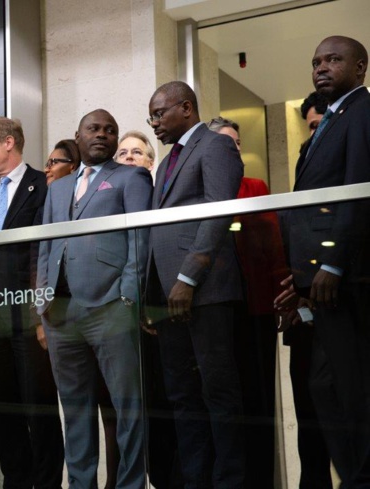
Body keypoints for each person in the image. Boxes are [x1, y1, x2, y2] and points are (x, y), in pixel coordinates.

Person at [37, 109, 151, 488]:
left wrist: (128, 298)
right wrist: (42, 303)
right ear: (78, 135)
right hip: (60, 313)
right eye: (94, 129)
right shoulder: (57, 188)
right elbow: (45, 247)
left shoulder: (130, 177)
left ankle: (131, 485)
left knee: (127, 408)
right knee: (75, 410)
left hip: (110, 308)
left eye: (110, 130)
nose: (102, 134)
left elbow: (140, 239)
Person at [277, 35, 370, 487]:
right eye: (316, 61)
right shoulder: (331, 121)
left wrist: (333, 265)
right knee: (324, 388)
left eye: (334, 59)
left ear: (360, 67)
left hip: (349, 277)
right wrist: (300, 279)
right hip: (316, 282)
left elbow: (358, 190)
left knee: (354, 392)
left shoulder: (363, 112)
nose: (321, 67)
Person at [145, 81, 245, 487]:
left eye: (158, 113)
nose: (153, 123)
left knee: (219, 394)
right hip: (167, 300)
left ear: (185, 108)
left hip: (204, 292)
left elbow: (218, 214)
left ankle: (230, 481)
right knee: (183, 397)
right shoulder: (168, 161)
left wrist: (188, 277)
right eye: (150, 116)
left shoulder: (215, 145)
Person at [0, 116, 64, 488]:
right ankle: (16, 480)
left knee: (38, 407)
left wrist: (42, 310)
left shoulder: (43, 187)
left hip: (30, 317)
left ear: (9, 143)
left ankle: (45, 483)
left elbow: (45, 252)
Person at [209, 116, 287, 488]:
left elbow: (271, 245)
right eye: (227, 143)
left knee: (258, 399)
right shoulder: (199, 190)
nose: (235, 149)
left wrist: (282, 297)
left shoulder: (253, 186)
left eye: (238, 143)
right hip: (213, 311)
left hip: (254, 307)